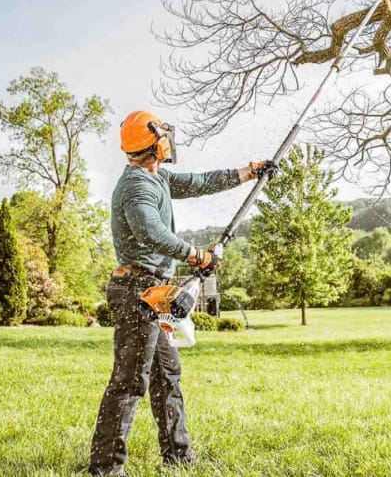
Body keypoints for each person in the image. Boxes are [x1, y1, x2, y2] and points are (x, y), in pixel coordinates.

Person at [89, 109, 274, 476]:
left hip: (154, 289)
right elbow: (151, 233)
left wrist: (249, 171)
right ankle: (105, 468)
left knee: (166, 375)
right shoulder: (136, 186)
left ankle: (178, 455)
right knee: (129, 381)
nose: (169, 141)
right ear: (154, 143)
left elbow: (202, 181)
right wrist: (195, 254)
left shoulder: (158, 178)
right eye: (164, 136)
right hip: (136, 290)